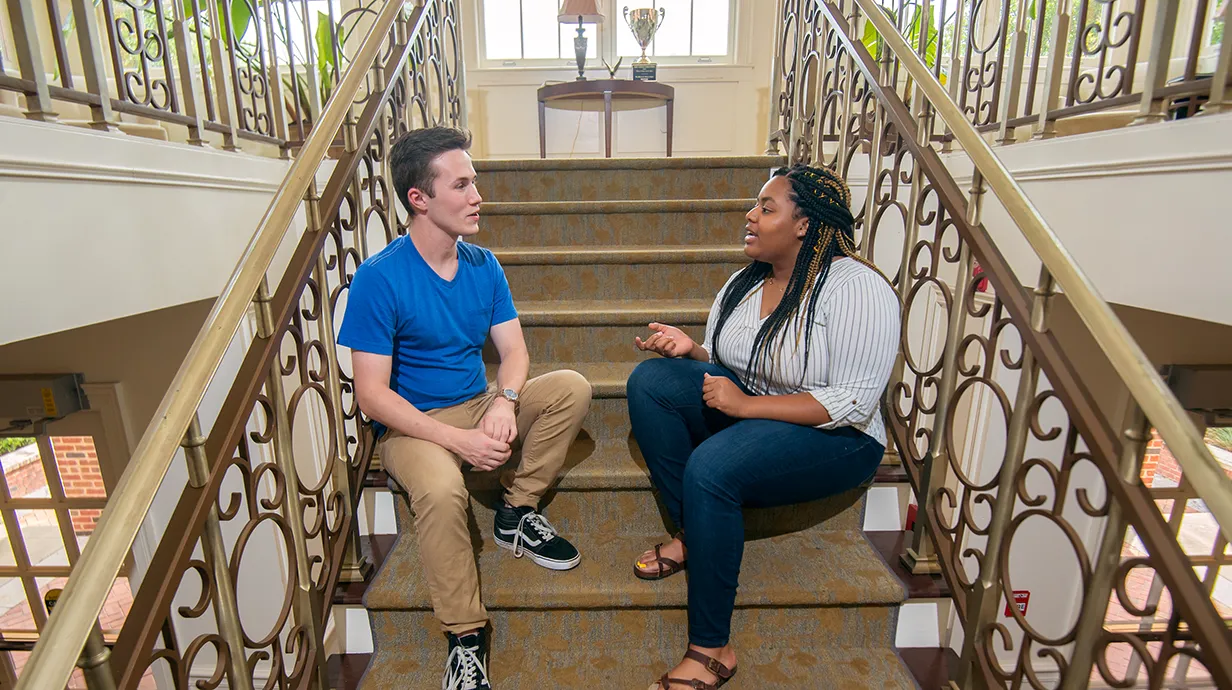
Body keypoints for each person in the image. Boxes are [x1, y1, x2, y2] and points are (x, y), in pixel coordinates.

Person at [626, 163, 900, 689]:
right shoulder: (742, 283)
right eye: (755, 205)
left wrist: (745, 408)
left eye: (766, 208)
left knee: (711, 467)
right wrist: (694, 352)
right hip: (759, 408)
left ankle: (713, 650)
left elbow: (852, 401)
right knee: (651, 382)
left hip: (837, 436)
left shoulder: (856, 289)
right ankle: (694, 533)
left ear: (804, 224)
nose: (750, 215)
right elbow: (736, 372)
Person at [339, 127, 592, 690]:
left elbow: (514, 351)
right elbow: (373, 395)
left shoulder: (484, 265)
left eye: (474, 181)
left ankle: (515, 514)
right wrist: (459, 442)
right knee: (442, 490)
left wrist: (503, 401)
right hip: (413, 427)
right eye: (462, 184)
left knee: (571, 386)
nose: (478, 195)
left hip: (477, 402)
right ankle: (465, 637)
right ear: (419, 199)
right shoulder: (379, 279)